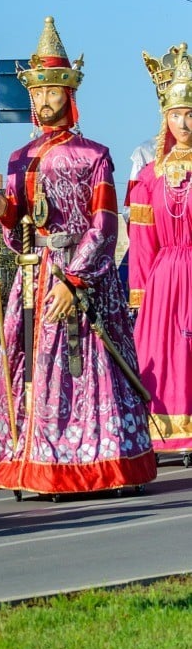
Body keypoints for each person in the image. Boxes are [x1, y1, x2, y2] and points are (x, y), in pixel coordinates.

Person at [0, 15, 156, 497]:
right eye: (38, 92)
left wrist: (75, 281)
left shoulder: (95, 155)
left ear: (69, 95)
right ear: (30, 98)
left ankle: (106, 461)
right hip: (34, 279)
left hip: (86, 276)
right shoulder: (17, 160)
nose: (45, 99)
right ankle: (43, 463)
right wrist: (1, 211)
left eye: (54, 90)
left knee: (94, 365)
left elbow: (104, 223)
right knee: (37, 369)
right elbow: (18, 232)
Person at [129, 42, 192, 458]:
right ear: (164, 117)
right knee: (166, 353)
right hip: (165, 278)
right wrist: (139, 292)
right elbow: (139, 241)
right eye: (176, 114)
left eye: (191, 113)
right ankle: (169, 428)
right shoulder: (150, 176)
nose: (184, 122)